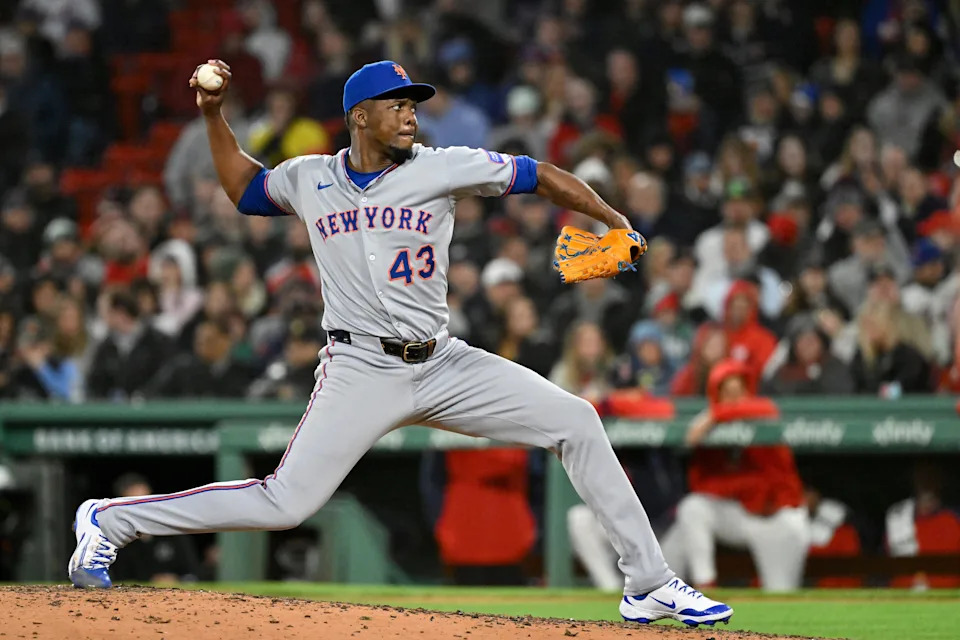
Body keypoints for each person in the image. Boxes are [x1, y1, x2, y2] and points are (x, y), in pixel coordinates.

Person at [68, 59, 732, 626]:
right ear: (360, 116)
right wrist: (214, 115)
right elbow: (244, 187)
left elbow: (541, 174)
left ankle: (646, 582)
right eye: (398, 105)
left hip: (442, 360)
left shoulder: (443, 167)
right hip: (359, 366)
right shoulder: (309, 177)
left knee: (576, 420)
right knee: (285, 502)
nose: (412, 114)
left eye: (414, 104)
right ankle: (111, 521)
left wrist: (612, 219)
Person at [672, 360, 809, 591]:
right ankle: (705, 587)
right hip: (741, 514)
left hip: (778, 517)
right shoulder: (711, 430)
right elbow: (701, 485)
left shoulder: (762, 415)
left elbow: (767, 409)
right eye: (727, 393)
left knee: (782, 595)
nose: (736, 399)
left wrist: (715, 413)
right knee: (692, 507)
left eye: (740, 391)